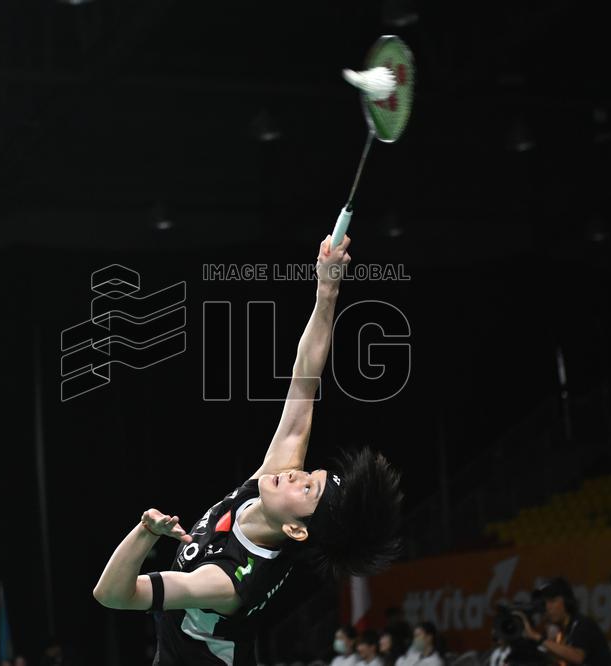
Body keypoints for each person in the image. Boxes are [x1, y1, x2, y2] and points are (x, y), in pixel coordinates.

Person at [92, 233, 406, 666]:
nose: (297, 473)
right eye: (310, 474)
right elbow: (305, 376)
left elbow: (112, 595)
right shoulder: (270, 484)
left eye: (307, 490)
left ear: (296, 531)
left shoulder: (226, 583)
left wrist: (145, 534)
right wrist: (327, 289)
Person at [516, 578, 611, 666]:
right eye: (544, 603)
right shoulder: (560, 630)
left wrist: (536, 637)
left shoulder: (582, 624)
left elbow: (577, 657)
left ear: (566, 601)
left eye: (552, 601)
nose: (548, 607)